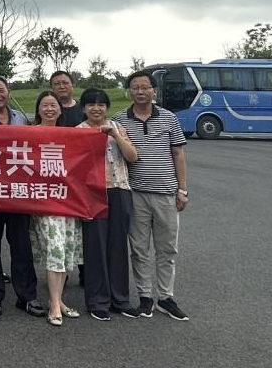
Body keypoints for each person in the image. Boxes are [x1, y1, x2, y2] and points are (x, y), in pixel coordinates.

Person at [114, 70, 190, 321]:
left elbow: (178, 154)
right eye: (135, 87)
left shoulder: (169, 118)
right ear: (129, 91)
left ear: (153, 91)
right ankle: (145, 297)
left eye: (144, 87)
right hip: (134, 193)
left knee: (167, 249)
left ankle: (166, 298)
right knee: (139, 249)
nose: (140, 91)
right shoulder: (119, 120)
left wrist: (182, 189)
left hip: (166, 193)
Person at [0, 76, 45, 320]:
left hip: (18, 193)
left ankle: (27, 295)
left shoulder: (21, 118)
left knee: (21, 245)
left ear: (8, 92)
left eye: (1, 90)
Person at [77, 88, 140, 321]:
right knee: (95, 247)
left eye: (101, 104)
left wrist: (115, 135)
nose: (96, 109)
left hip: (119, 190)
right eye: (91, 104)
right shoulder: (77, 132)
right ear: (83, 108)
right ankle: (98, 301)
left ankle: (120, 299)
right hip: (92, 194)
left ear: (106, 107)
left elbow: (133, 156)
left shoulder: (117, 127)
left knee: (118, 246)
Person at [29, 92, 84, 326]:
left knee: (66, 251)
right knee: (55, 249)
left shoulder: (71, 135)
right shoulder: (28, 134)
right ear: (38, 109)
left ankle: (59, 300)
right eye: (45, 105)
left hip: (68, 202)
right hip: (44, 203)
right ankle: (53, 305)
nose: (49, 109)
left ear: (60, 110)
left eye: (53, 105)